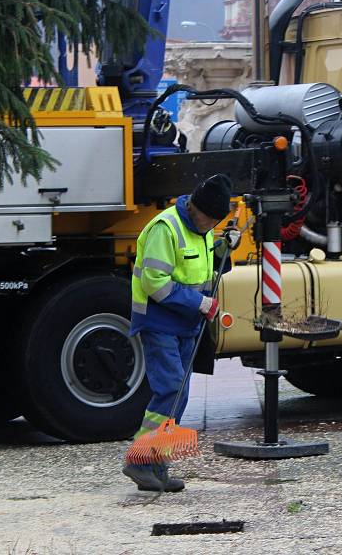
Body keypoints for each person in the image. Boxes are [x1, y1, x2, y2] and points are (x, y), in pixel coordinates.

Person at [123, 174, 240, 492]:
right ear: (194, 207)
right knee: (171, 389)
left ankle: (156, 459)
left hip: (187, 323)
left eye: (217, 221)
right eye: (209, 220)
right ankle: (140, 460)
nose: (210, 225)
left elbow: (203, 268)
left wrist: (224, 248)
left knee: (180, 393)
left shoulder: (202, 227)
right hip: (160, 322)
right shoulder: (166, 228)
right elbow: (154, 282)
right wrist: (200, 303)